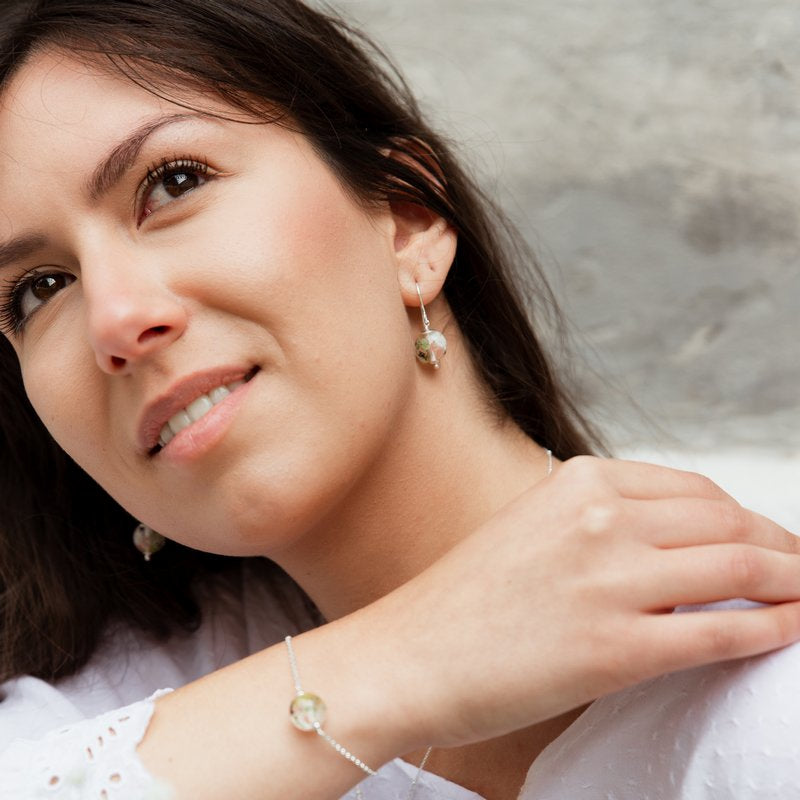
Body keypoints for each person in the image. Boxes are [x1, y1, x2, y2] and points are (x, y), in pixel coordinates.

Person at [0, 1, 798, 798]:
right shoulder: (110, 708)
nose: (115, 321)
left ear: (408, 223)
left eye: (174, 184)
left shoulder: (764, 695)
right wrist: (407, 659)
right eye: (40, 289)